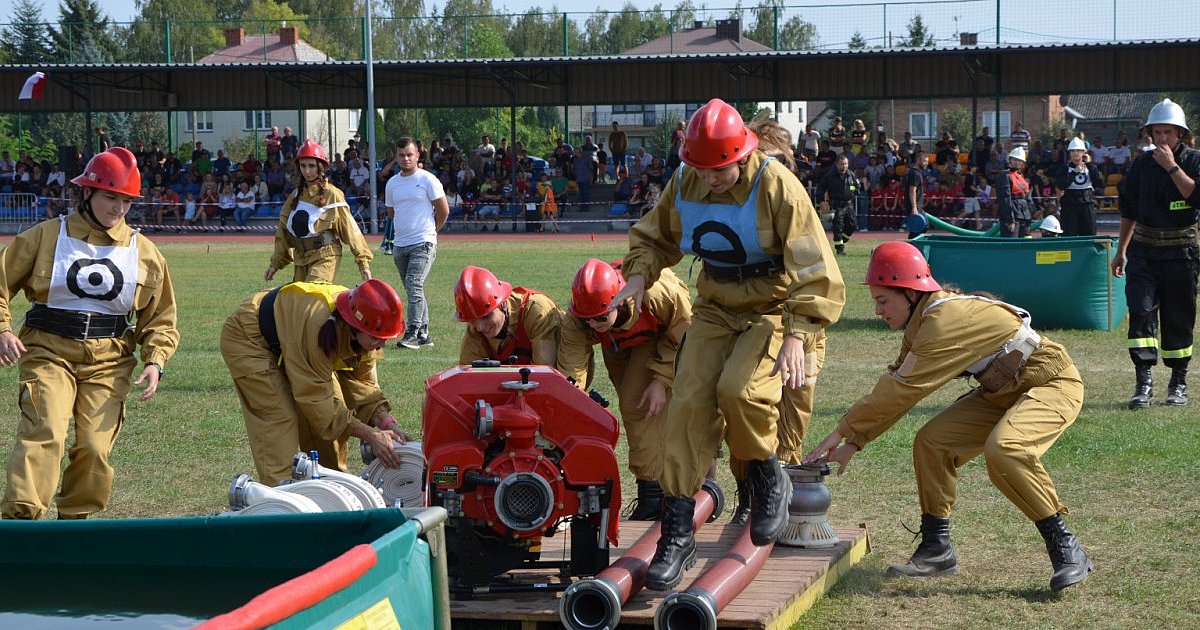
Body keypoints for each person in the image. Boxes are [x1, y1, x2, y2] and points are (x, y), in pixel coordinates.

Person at [609, 98, 845, 591]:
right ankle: (677, 531)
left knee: (740, 393)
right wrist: (637, 276)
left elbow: (813, 266)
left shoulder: (777, 185)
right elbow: (655, 237)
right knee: (688, 404)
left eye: (720, 169)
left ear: (742, 154)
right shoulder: (687, 180)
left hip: (771, 307)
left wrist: (799, 334)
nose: (711, 179)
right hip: (716, 306)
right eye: (701, 168)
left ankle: (766, 476)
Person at [805, 241, 1093, 593]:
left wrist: (842, 432)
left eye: (882, 300)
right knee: (933, 442)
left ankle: (1066, 547)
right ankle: (937, 550)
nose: (878, 311)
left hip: (1051, 382)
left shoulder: (942, 322)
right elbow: (897, 381)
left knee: (1005, 449)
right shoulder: (924, 320)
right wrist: (855, 441)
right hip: (1000, 392)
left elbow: (901, 390)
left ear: (910, 293)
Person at [0, 147, 179, 520]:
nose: (118, 208)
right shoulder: (44, 236)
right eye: (110, 197)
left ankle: (74, 527)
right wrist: (2, 328)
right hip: (48, 352)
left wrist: (155, 361)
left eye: (126, 200)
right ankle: (21, 525)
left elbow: (160, 318)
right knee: (46, 429)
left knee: (95, 449)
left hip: (110, 362)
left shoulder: (145, 252)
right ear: (88, 193)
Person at [220, 278, 410, 486]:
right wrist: (371, 435)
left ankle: (332, 487)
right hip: (251, 338)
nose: (380, 345)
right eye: (376, 338)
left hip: (291, 338)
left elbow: (364, 386)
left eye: (385, 339)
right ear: (355, 327)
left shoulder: (366, 325)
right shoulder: (318, 329)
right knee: (280, 418)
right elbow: (319, 404)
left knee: (332, 423)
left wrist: (387, 423)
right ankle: (282, 498)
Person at [557, 259, 692, 521]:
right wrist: (574, 396)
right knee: (637, 412)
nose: (594, 324)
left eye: (600, 317)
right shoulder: (579, 319)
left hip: (666, 340)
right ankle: (656, 491)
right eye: (588, 320)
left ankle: (655, 495)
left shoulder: (657, 292)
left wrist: (661, 380)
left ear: (619, 301)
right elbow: (571, 371)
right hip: (617, 345)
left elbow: (685, 335)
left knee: (639, 405)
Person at [1113, 98, 1200, 408]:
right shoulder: (1140, 165)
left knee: (1179, 318)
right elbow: (1129, 211)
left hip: (1181, 254)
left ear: (1180, 135)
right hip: (1144, 254)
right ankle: (1143, 383)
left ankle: (1178, 383)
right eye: (1157, 133)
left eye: (1168, 133)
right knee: (1141, 313)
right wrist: (1120, 251)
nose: (1162, 139)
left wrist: (1171, 167)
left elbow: (1196, 196)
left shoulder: (1193, 162)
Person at [265, 139, 373, 284]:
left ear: (320, 167)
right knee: (300, 301)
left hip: (326, 256)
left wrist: (363, 264)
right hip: (301, 259)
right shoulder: (294, 197)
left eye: (311, 166)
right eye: (303, 166)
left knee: (313, 298)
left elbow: (351, 230)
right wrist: (275, 264)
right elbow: (282, 232)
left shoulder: (332, 194)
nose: (307, 171)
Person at [385, 137, 450, 350]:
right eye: (402, 155)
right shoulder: (392, 183)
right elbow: (391, 212)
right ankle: (424, 333)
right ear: (396, 156)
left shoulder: (428, 180)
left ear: (417, 156)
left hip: (423, 242)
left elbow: (443, 210)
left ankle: (412, 332)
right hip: (400, 244)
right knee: (414, 289)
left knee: (414, 284)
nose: (405, 159)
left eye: (409, 155)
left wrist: (432, 231)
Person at [455, 265, 562, 366]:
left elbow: (544, 375)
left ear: (503, 304)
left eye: (486, 316)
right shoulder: (475, 329)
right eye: (473, 320)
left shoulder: (537, 311)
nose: (480, 327)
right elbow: (470, 377)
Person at [1055, 137, 1103, 236]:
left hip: (1086, 204)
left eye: (1078, 151)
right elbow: (1061, 185)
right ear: (1069, 153)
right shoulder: (1064, 168)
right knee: (1069, 234)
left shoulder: (1090, 168)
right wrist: (1074, 172)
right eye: (1072, 151)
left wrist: (1090, 164)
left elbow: (1098, 183)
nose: (1075, 153)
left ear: (1083, 152)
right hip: (1070, 205)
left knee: (1089, 233)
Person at [816, 154, 858, 255]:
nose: (844, 166)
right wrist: (821, 201)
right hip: (836, 205)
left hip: (848, 204)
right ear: (836, 164)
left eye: (846, 164)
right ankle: (840, 249)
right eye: (842, 164)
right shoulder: (829, 177)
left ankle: (843, 240)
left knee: (852, 224)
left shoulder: (851, 175)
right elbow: (820, 189)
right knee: (838, 226)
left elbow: (856, 186)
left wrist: (853, 192)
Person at [996, 147, 1035, 237]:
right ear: (1010, 160)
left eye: (1020, 160)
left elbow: (1027, 199)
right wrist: (1009, 220)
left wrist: (1029, 219)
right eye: (1015, 160)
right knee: (1010, 245)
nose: (1017, 162)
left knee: (1021, 246)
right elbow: (1005, 199)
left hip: (1024, 216)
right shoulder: (1005, 175)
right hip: (1013, 216)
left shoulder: (1021, 177)